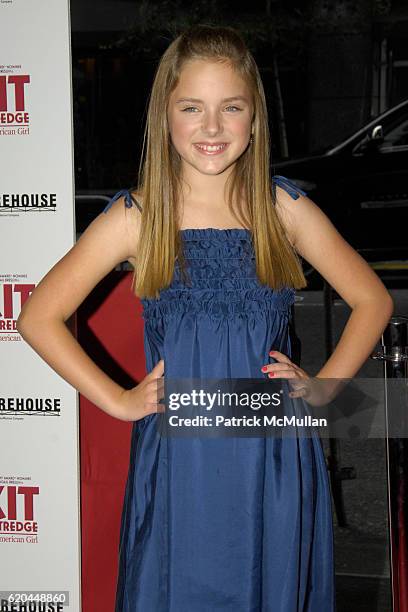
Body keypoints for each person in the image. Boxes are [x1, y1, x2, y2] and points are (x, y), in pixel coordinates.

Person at [17, 24, 393, 612]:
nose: (212, 127)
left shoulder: (282, 206)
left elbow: (373, 300)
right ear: (165, 116)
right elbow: (38, 317)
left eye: (231, 107)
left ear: (254, 120)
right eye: (192, 107)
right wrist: (117, 401)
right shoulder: (137, 215)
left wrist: (326, 388)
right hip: (181, 454)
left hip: (272, 448)